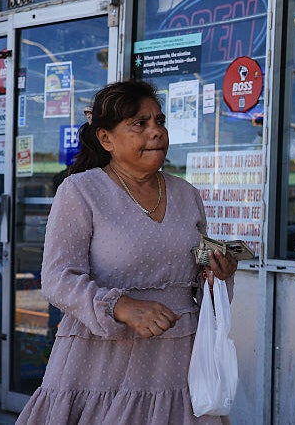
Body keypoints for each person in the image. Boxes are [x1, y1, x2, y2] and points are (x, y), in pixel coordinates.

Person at [17, 80, 238, 424]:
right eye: (140, 124)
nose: (156, 132)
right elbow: (58, 279)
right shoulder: (81, 192)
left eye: (159, 121)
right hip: (101, 362)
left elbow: (196, 277)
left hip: (175, 360)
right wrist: (121, 306)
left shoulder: (187, 195)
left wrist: (217, 275)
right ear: (106, 139)